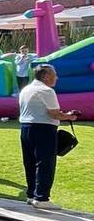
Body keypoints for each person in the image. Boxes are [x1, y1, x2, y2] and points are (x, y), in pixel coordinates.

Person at [19, 65, 78, 210]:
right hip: (43, 128)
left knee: (30, 161)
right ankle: (42, 198)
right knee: (45, 163)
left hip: (26, 127)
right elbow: (54, 113)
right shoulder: (47, 90)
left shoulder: (26, 89)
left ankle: (31, 194)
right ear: (46, 77)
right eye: (54, 74)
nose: (56, 77)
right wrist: (70, 116)